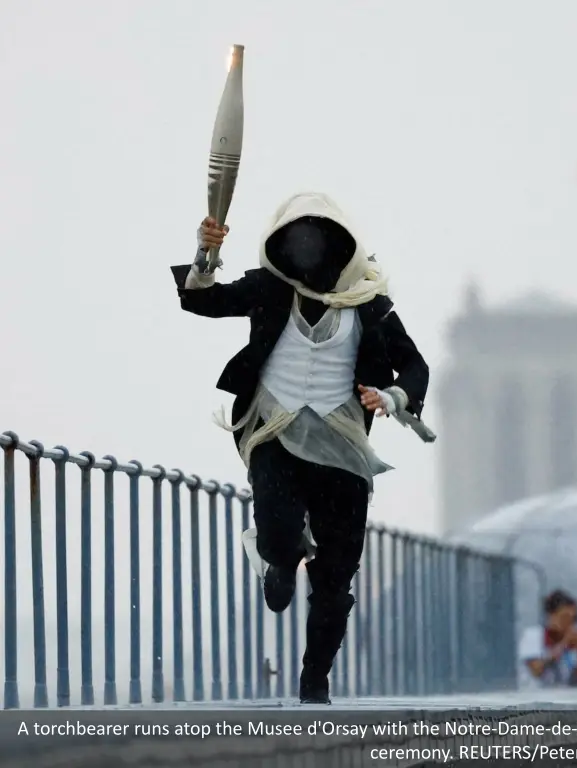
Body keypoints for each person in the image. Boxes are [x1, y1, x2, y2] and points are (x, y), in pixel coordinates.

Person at [171, 192, 430, 704]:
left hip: (343, 446)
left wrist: (394, 397)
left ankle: (315, 682)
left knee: (337, 575)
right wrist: (205, 252)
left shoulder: (369, 302)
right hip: (275, 431)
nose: (310, 252)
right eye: (299, 240)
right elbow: (201, 298)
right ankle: (280, 559)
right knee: (281, 532)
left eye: (322, 241)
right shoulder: (268, 287)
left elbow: (416, 367)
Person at [517, 589, 577, 688]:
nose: (569, 623)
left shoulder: (572, 643)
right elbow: (536, 670)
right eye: (564, 618)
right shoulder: (533, 636)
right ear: (551, 615)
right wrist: (563, 644)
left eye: (573, 619)